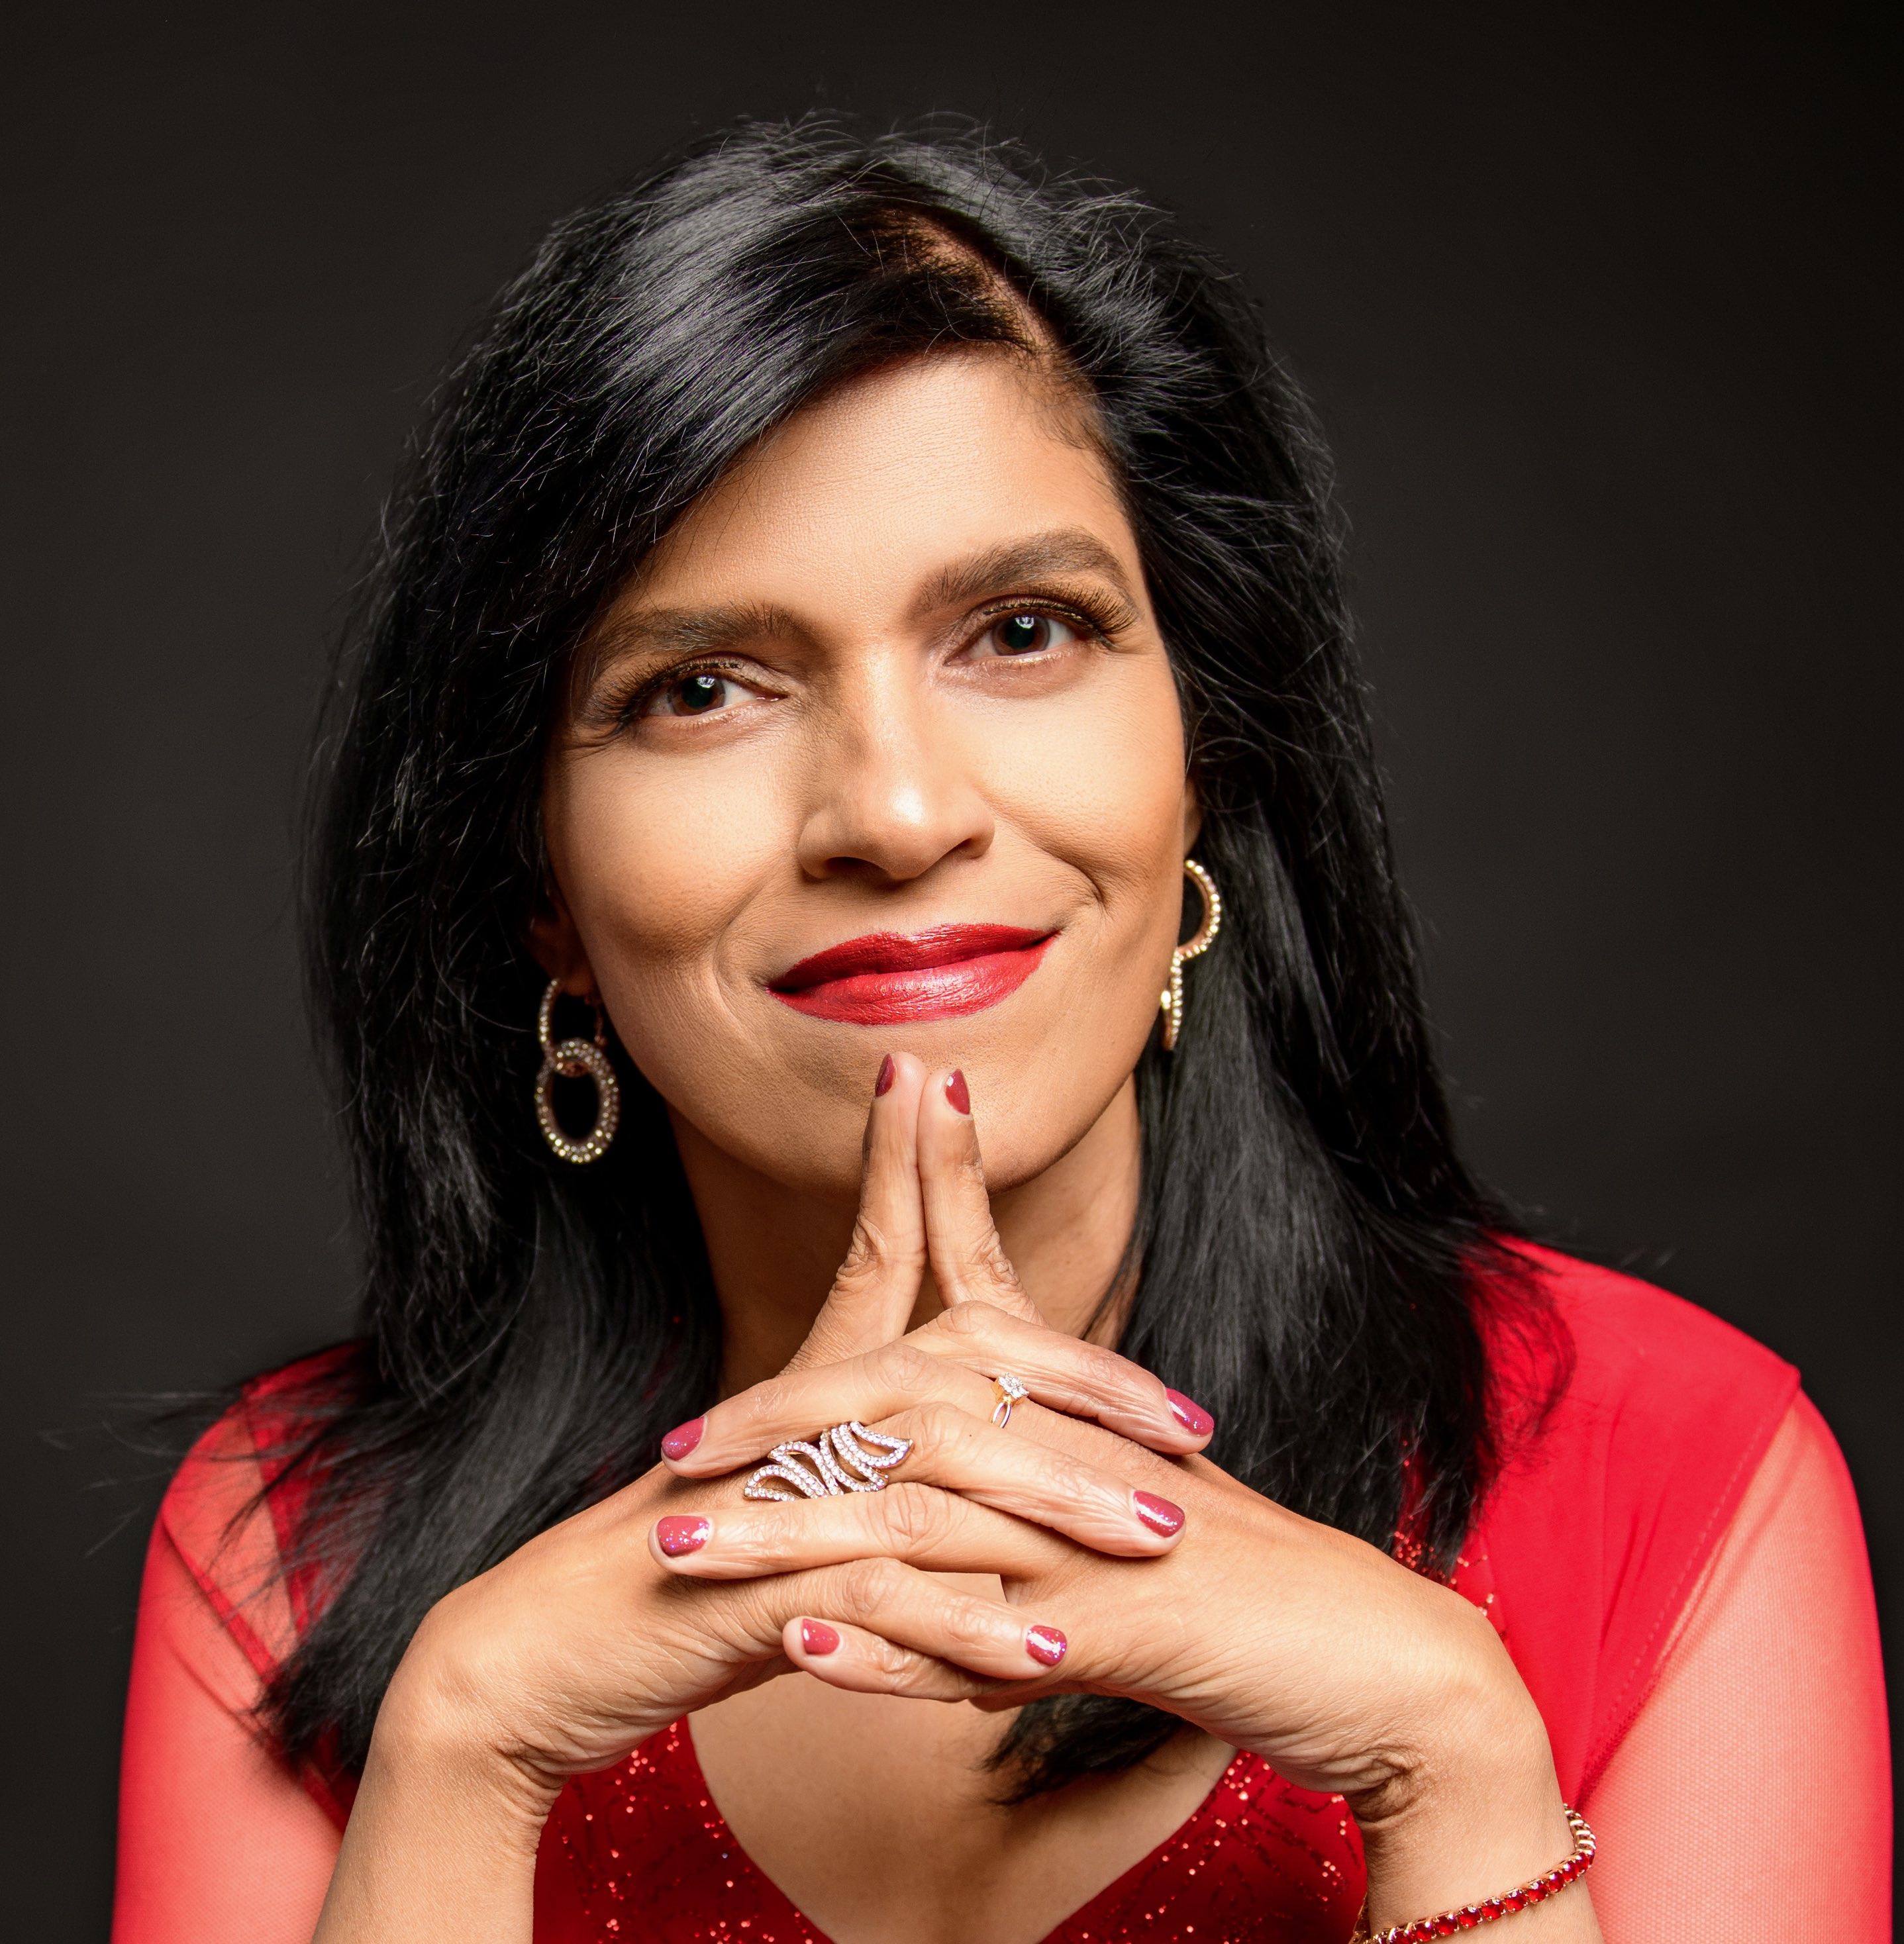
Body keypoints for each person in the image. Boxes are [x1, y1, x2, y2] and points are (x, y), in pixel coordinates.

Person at [111, 122, 1889, 1944]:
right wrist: (464, 1756)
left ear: (1199, 764)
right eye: (701, 687)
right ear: (539, 887)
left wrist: (1450, 1762)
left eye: (1022, 630)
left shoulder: (1673, 1466)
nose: (891, 811)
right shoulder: (288, 1543)